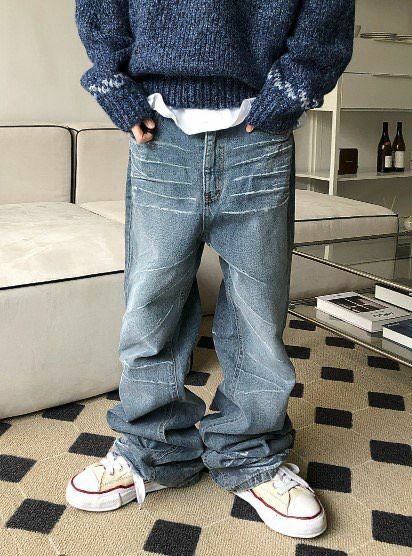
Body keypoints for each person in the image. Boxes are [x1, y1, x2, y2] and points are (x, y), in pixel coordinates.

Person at [67, 0, 355, 538]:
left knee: (257, 309)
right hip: (159, 129)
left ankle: (252, 453)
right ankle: (152, 447)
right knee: (151, 304)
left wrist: (292, 89)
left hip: (259, 129)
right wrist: (112, 82)